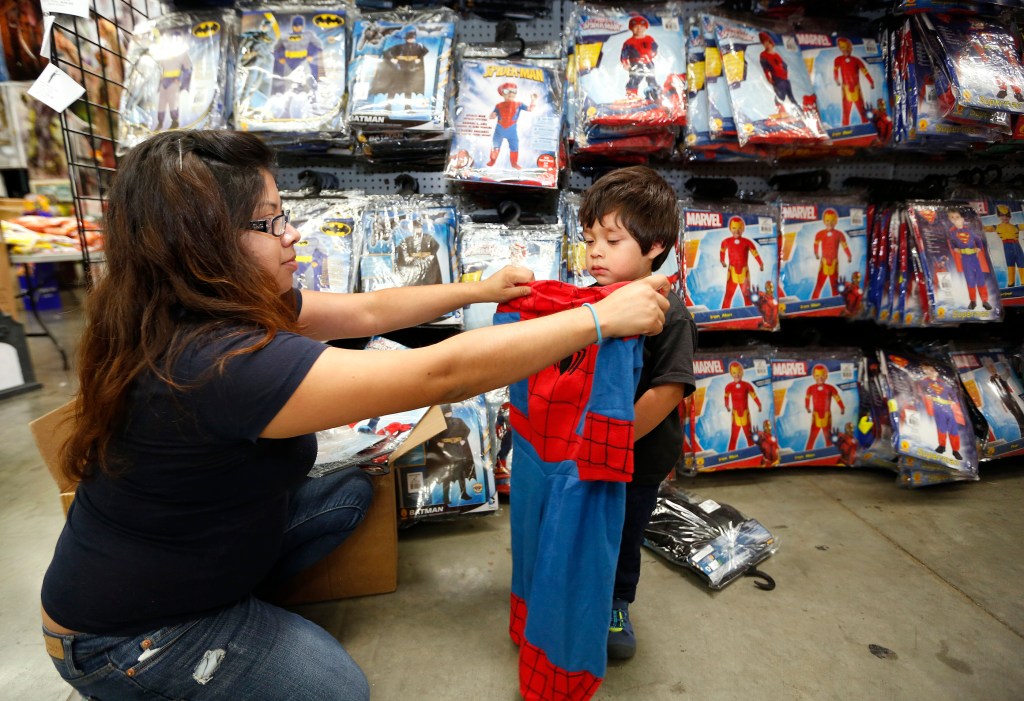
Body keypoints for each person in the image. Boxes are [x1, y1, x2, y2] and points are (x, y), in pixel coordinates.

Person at [39, 130, 671, 701]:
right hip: (127, 637)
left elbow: (366, 314)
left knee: (347, 497)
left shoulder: (202, 303)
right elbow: (439, 374)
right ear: (200, 241)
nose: (291, 234)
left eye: (283, 213)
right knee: (338, 689)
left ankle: (233, 596)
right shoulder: (220, 363)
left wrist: (479, 289)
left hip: (180, 550)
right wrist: (595, 319)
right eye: (268, 222)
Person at [578, 166, 697, 660]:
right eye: (589, 240)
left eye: (612, 239)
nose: (596, 252)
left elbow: (670, 390)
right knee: (586, 525)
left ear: (655, 246)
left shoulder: (670, 314)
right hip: (587, 448)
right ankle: (581, 592)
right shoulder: (590, 302)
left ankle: (616, 603)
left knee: (624, 533)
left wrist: (613, 439)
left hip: (637, 456)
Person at [832, 37, 874, 126]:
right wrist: (836, 80)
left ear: (851, 48)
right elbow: (835, 71)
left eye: (848, 48)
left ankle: (866, 128)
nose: (846, 50)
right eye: (843, 48)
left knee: (862, 112)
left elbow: (865, 72)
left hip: (857, 89)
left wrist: (871, 82)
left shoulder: (856, 60)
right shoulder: (838, 59)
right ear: (840, 48)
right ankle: (845, 130)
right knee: (846, 113)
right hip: (846, 90)